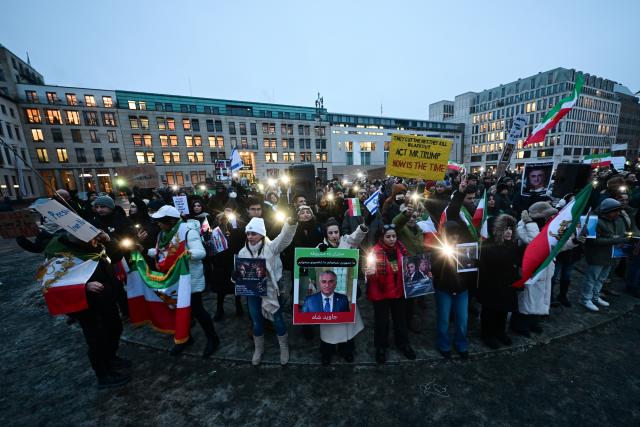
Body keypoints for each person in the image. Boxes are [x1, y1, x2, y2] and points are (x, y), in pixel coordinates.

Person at [43, 232, 129, 388]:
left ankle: (111, 358)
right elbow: (52, 282)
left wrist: (109, 242)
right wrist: (82, 287)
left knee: (115, 328)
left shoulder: (96, 244)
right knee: (97, 339)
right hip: (87, 306)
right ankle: (103, 374)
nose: (91, 238)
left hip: (107, 297)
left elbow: (115, 258)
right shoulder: (57, 250)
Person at [148, 205, 220, 357]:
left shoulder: (187, 231)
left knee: (197, 310)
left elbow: (201, 252)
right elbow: (164, 253)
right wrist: (151, 252)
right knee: (176, 309)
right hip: (171, 279)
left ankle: (213, 339)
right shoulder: (162, 235)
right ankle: (184, 338)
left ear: (171, 221)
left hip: (189, 279)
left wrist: (186, 254)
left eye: (161, 221)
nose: (159, 224)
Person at [237, 216, 298, 366]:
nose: (250, 237)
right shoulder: (243, 252)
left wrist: (290, 224)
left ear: (262, 234)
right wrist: (236, 276)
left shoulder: (271, 247)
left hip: (271, 291)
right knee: (257, 321)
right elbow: (240, 274)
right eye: (248, 234)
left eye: (254, 234)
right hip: (253, 293)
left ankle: (284, 347)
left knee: (277, 319)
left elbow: (284, 238)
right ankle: (259, 349)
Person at [365, 224, 416, 364]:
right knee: (382, 322)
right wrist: (371, 273)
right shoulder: (374, 252)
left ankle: (403, 344)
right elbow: (371, 277)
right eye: (388, 236)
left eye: (394, 236)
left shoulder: (402, 249)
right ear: (382, 237)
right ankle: (381, 348)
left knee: (400, 320)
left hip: (398, 292)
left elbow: (409, 269)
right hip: (380, 294)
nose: (392, 239)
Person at [478, 214, 522, 349]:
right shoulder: (488, 245)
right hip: (491, 284)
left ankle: (500, 331)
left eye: (510, 228)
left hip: (507, 284)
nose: (508, 232)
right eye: (505, 228)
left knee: (504, 310)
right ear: (497, 229)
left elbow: (516, 263)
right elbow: (483, 267)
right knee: (490, 311)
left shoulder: (513, 245)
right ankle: (487, 334)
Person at [431, 221, 470, 359]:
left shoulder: (465, 248)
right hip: (444, 289)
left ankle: (461, 344)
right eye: (451, 235)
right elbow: (434, 270)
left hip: (461, 289)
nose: (454, 238)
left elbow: (470, 269)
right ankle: (444, 344)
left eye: (456, 235)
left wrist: (474, 262)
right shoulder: (437, 249)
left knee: (462, 319)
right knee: (443, 319)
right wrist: (444, 257)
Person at [582, 198, 629, 311]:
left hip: (611, 255)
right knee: (591, 278)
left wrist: (625, 238)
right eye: (615, 211)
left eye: (619, 210)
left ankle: (595, 297)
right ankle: (585, 299)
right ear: (607, 211)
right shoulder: (593, 219)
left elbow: (621, 234)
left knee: (602, 278)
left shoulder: (618, 219)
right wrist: (614, 239)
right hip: (597, 255)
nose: (618, 213)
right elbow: (591, 240)